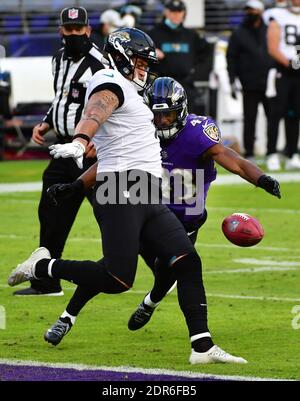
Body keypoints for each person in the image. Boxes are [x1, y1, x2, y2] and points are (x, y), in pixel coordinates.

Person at [8, 27, 248, 365]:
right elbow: (96, 109)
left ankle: (202, 346)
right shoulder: (109, 81)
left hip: (147, 190)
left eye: (145, 63)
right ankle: (44, 265)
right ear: (119, 57)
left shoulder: (135, 93)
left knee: (187, 260)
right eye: (137, 61)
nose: (143, 69)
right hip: (119, 187)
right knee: (118, 278)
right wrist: (80, 139)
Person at [47, 77, 281, 332]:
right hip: (147, 212)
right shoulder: (141, 132)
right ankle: (67, 316)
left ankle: (150, 303)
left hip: (186, 221)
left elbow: (232, 160)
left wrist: (262, 179)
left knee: (169, 273)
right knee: (112, 266)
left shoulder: (197, 133)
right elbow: (111, 162)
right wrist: (78, 186)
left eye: (167, 116)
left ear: (180, 111)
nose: (160, 122)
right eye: (156, 116)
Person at [12, 6, 107, 296]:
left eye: (80, 30)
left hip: (91, 153)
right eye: (70, 29)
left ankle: (163, 268)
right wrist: (46, 122)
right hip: (64, 149)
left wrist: (99, 140)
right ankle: (46, 280)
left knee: (115, 213)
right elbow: (62, 98)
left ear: (89, 30)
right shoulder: (59, 59)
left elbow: (110, 105)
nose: (75, 34)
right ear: (61, 31)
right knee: (51, 211)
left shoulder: (100, 64)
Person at [226, 0, 273, 162]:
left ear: (260, 11)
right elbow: (231, 57)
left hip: (270, 83)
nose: (250, 14)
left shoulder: (269, 30)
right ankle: (250, 152)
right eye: (248, 11)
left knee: (272, 117)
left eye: (253, 10)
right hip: (249, 82)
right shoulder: (239, 32)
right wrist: (232, 80)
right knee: (250, 118)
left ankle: (271, 152)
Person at [149, 0, 210, 114]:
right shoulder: (154, 34)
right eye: (173, 11)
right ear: (166, 13)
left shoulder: (191, 35)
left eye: (179, 12)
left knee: (188, 120)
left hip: (186, 86)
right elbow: (143, 57)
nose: (176, 15)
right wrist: (152, 53)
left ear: (184, 13)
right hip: (162, 87)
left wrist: (195, 70)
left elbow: (206, 53)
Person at [266, 0, 300, 170]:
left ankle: (292, 153)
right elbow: (272, 47)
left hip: (298, 72)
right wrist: (290, 63)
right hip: (282, 71)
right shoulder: (277, 15)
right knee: (276, 113)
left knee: (295, 114)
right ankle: (272, 153)